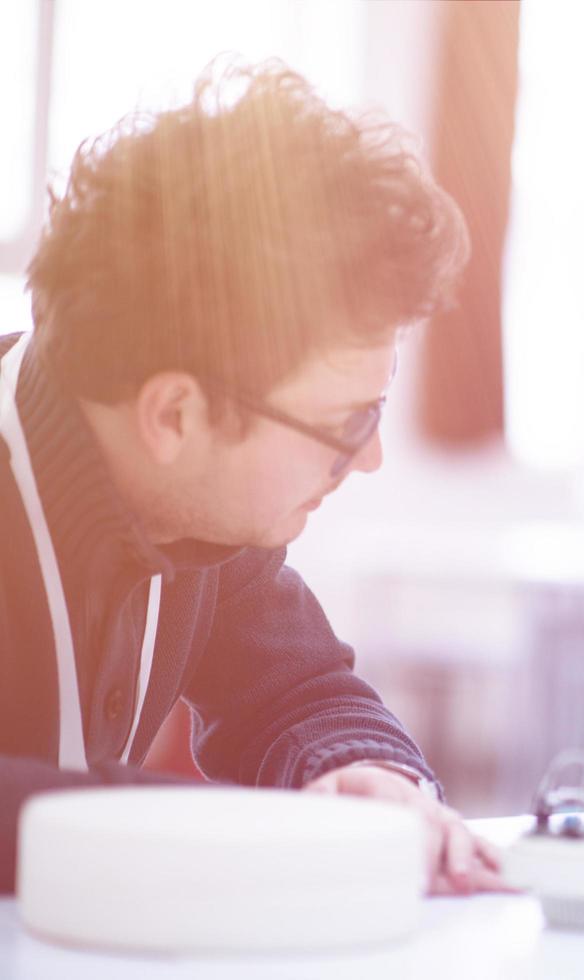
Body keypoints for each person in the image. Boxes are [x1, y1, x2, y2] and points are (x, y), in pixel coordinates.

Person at [0, 61, 504, 895]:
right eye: (347, 421)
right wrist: (253, 831)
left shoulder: (196, 520)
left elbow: (301, 690)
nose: (368, 458)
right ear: (174, 417)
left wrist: (361, 773)